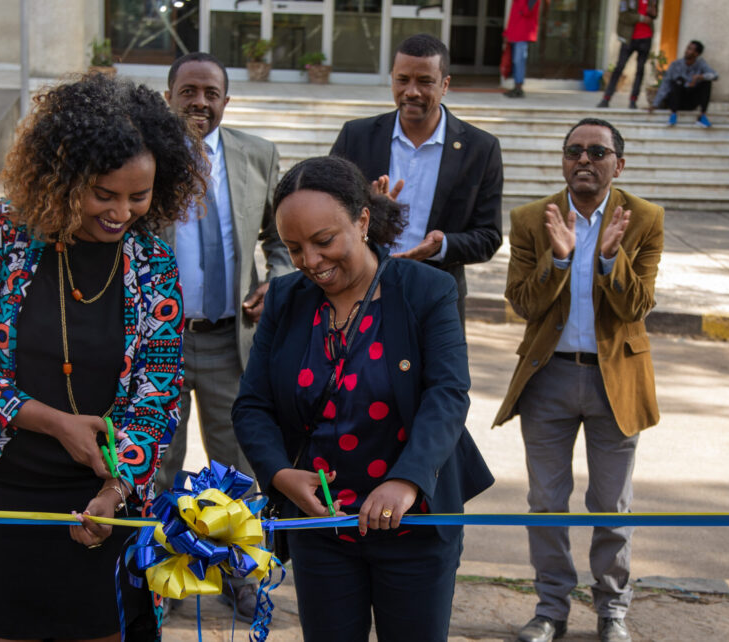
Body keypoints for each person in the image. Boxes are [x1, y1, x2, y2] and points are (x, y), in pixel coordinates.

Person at [0, 73, 204, 642]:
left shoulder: (154, 267)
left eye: (138, 196)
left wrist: (115, 494)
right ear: (64, 178)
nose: (121, 213)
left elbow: (159, 397)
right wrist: (53, 422)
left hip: (98, 505)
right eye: (103, 194)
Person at [232, 156, 494, 642]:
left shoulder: (426, 290)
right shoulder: (286, 299)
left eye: (324, 241)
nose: (310, 261)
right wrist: (280, 475)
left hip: (414, 523)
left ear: (364, 220)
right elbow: (252, 406)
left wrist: (407, 480)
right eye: (294, 248)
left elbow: (448, 394)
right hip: (321, 527)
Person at [493, 118, 664, 642]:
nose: (584, 160)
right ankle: (550, 611)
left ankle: (612, 611)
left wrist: (611, 257)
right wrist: (560, 259)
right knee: (545, 501)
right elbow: (523, 303)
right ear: (563, 160)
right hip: (549, 380)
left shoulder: (644, 219)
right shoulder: (530, 219)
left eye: (597, 151)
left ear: (619, 163)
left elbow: (638, 306)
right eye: (573, 151)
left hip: (617, 383)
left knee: (611, 504)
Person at [155, 52, 292, 618]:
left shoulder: (256, 155)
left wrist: (277, 281)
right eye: (188, 91)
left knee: (237, 464)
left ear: (226, 101)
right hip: (158, 341)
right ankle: (162, 581)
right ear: (170, 97)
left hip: (229, 339)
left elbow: (281, 237)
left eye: (211, 92)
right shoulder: (147, 156)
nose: (199, 102)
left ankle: (240, 577)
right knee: (158, 461)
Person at [330, 33, 503, 326]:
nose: (411, 91)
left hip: (434, 300)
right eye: (402, 80)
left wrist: (442, 245)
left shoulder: (480, 149)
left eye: (425, 81)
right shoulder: (356, 136)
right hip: (359, 295)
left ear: (445, 84)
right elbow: (326, 213)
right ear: (392, 80)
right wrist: (370, 210)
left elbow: (488, 237)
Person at [597, 0, 659, 109]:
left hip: (646, 38)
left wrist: (653, 12)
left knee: (640, 70)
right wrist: (641, 18)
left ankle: (633, 100)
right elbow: (623, 15)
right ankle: (606, 98)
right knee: (619, 67)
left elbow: (654, 16)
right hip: (629, 38)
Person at [652, 40, 718, 127]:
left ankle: (702, 116)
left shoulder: (701, 64)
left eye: (690, 49)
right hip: (676, 100)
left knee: (706, 83)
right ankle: (673, 115)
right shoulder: (676, 65)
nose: (687, 51)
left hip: (690, 101)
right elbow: (665, 84)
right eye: (687, 48)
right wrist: (655, 104)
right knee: (678, 81)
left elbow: (715, 75)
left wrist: (699, 77)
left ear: (696, 54)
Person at [503, 0, 551, 98]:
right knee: (516, 61)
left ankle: (519, 88)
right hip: (515, 33)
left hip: (523, 33)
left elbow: (527, 11)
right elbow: (513, 16)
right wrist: (507, 33)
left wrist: (522, 11)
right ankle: (517, 87)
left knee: (519, 60)